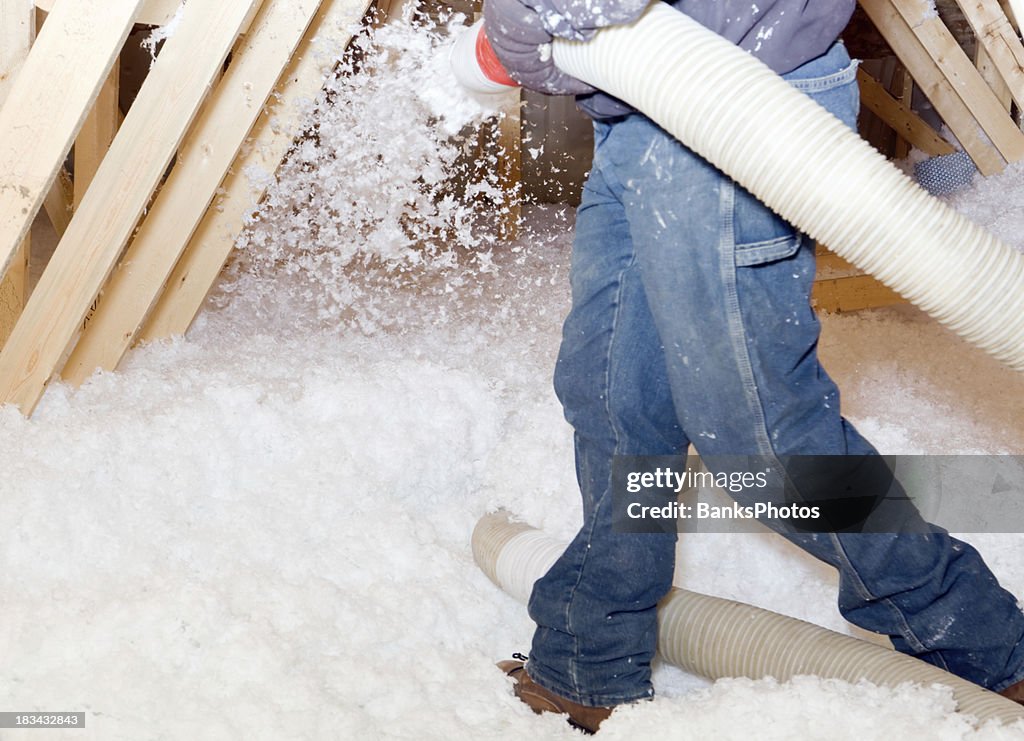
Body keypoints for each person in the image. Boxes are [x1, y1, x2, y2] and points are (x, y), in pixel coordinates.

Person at [481, 0, 1024, 733]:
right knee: (615, 393)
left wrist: (526, 17)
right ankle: (589, 654)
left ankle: (988, 645)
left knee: (761, 441)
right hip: (642, 101)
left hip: (739, 98)